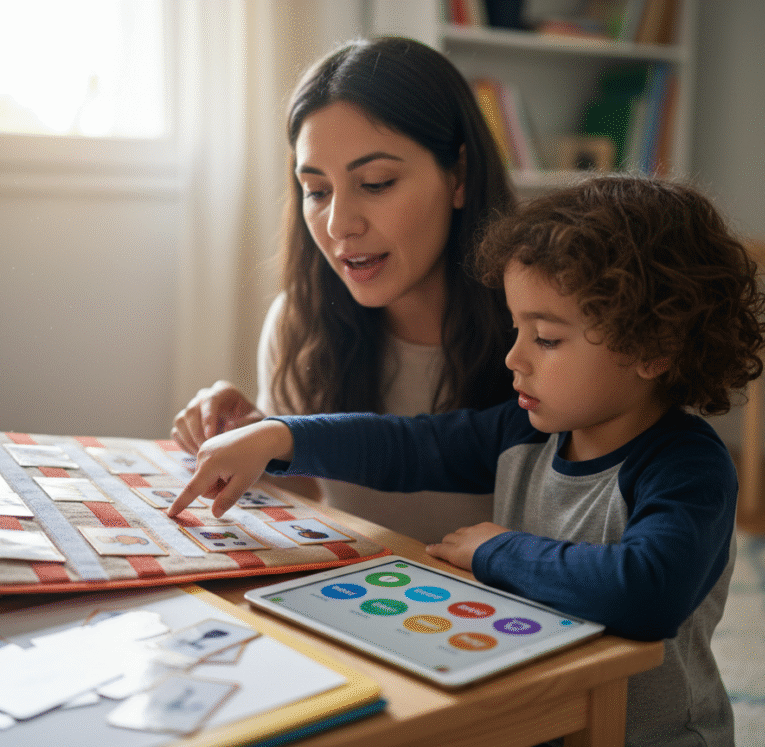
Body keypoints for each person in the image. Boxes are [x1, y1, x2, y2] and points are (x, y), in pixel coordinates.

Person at [169, 175, 765, 746]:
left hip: (649, 735)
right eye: (517, 330)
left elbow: (646, 594)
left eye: (546, 337)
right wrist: (279, 436)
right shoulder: (523, 431)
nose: (514, 358)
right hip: (545, 711)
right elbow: (406, 447)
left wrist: (495, 550)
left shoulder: (689, 466)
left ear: (654, 347)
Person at [170, 37, 517, 543]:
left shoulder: (543, 329)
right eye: (316, 190)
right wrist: (251, 436)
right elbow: (314, 503)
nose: (338, 225)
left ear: (459, 176)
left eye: (376, 183)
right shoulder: (300, 322)